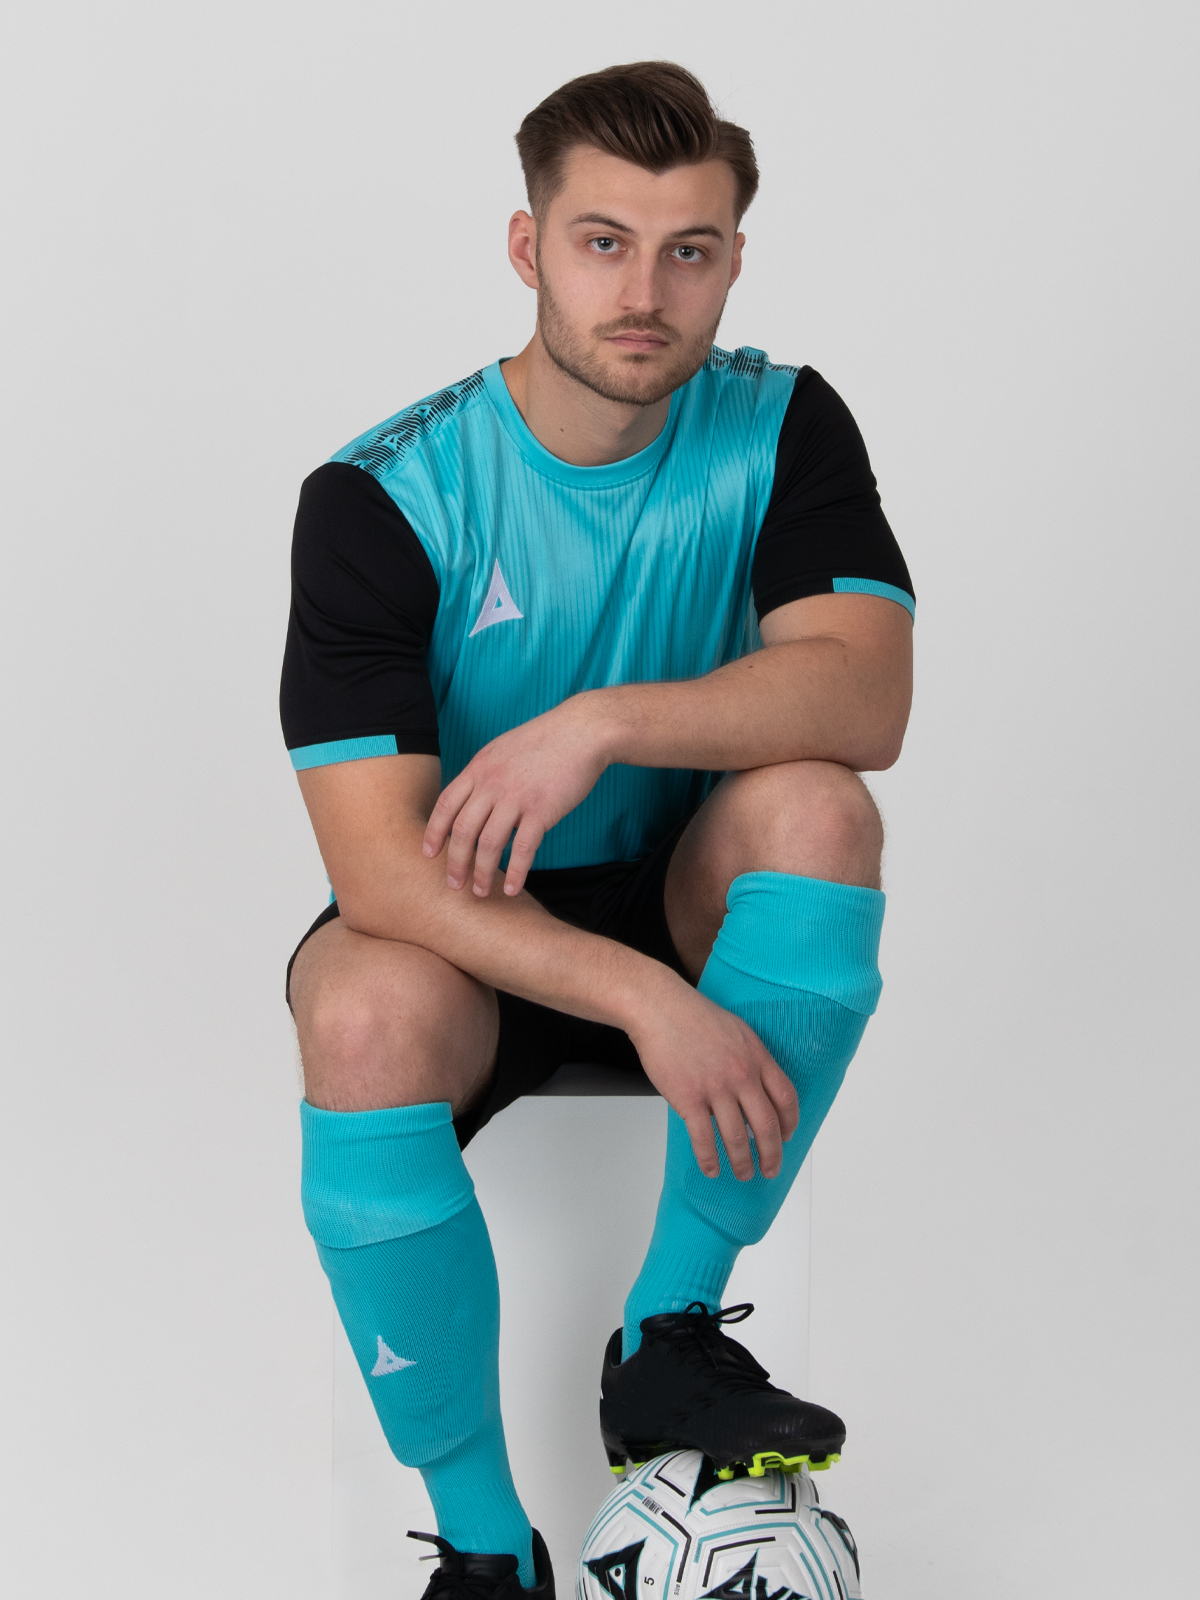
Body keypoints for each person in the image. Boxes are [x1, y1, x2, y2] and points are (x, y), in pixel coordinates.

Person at [280, 60, 913, 1600]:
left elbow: (870, 700)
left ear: (735, 263)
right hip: (476, 925)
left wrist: (605, 720)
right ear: (528, 246)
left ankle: (669, 1341)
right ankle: (491, 1551)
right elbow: (373, 867)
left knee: (822, 807)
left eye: (689, 248)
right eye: (604, 240)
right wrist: (645, 1002)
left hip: (694, 880)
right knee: (358, 1007)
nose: (647, 290)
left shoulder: (781, 427)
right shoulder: (387, 494)